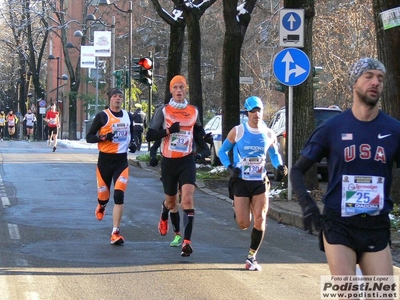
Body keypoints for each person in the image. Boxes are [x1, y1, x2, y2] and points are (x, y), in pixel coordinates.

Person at [290, 57, 400, 277]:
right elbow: (297, 170)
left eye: (380, 78)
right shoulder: (332, 127)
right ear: (354, 84)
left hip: (376, 225)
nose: (375, 82)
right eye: (368, 76)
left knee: (383, 294)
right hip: (339, 223)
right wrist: (307, 203)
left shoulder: (394, 130)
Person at [218, 96, 287, 271]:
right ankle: (238, 208)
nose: (256, 114)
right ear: (247, 113)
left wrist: (280, 166)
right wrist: (230, 167)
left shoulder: (269, 133)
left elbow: (274, 153)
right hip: (241, 180)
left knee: (260, 218)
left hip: (260, 181)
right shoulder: (238, 131)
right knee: (243, 223)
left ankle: (251, 257)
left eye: (259, 111)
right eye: (253, 111)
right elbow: (222, 151)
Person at [146, 75, 210, 257]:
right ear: (171, 90)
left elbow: (198, 132)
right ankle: (165, 210)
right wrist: (168, 131)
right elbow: (150, 135)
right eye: (176, 87)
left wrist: (205, 141)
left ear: (186, 89)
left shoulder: (194, 111)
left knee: (187, 200)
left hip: (186, 160)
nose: (179, 90)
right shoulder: (163, 111)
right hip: (169, 162)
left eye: (182, 87)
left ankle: (186, 242)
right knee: (172, 202)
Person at [86, 87, 137, 245]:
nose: (118, 99)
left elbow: (133, 135)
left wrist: (134, 144)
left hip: (121, 161)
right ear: (109, 99)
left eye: (120, 96)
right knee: (104, 197)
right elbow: (89, 137)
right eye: (115, 96)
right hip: (105, 161)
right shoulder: (102, 116)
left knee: (119, 195)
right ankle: (101, 206)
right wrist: (104, 137)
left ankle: (115, 231)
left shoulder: (128, 116)